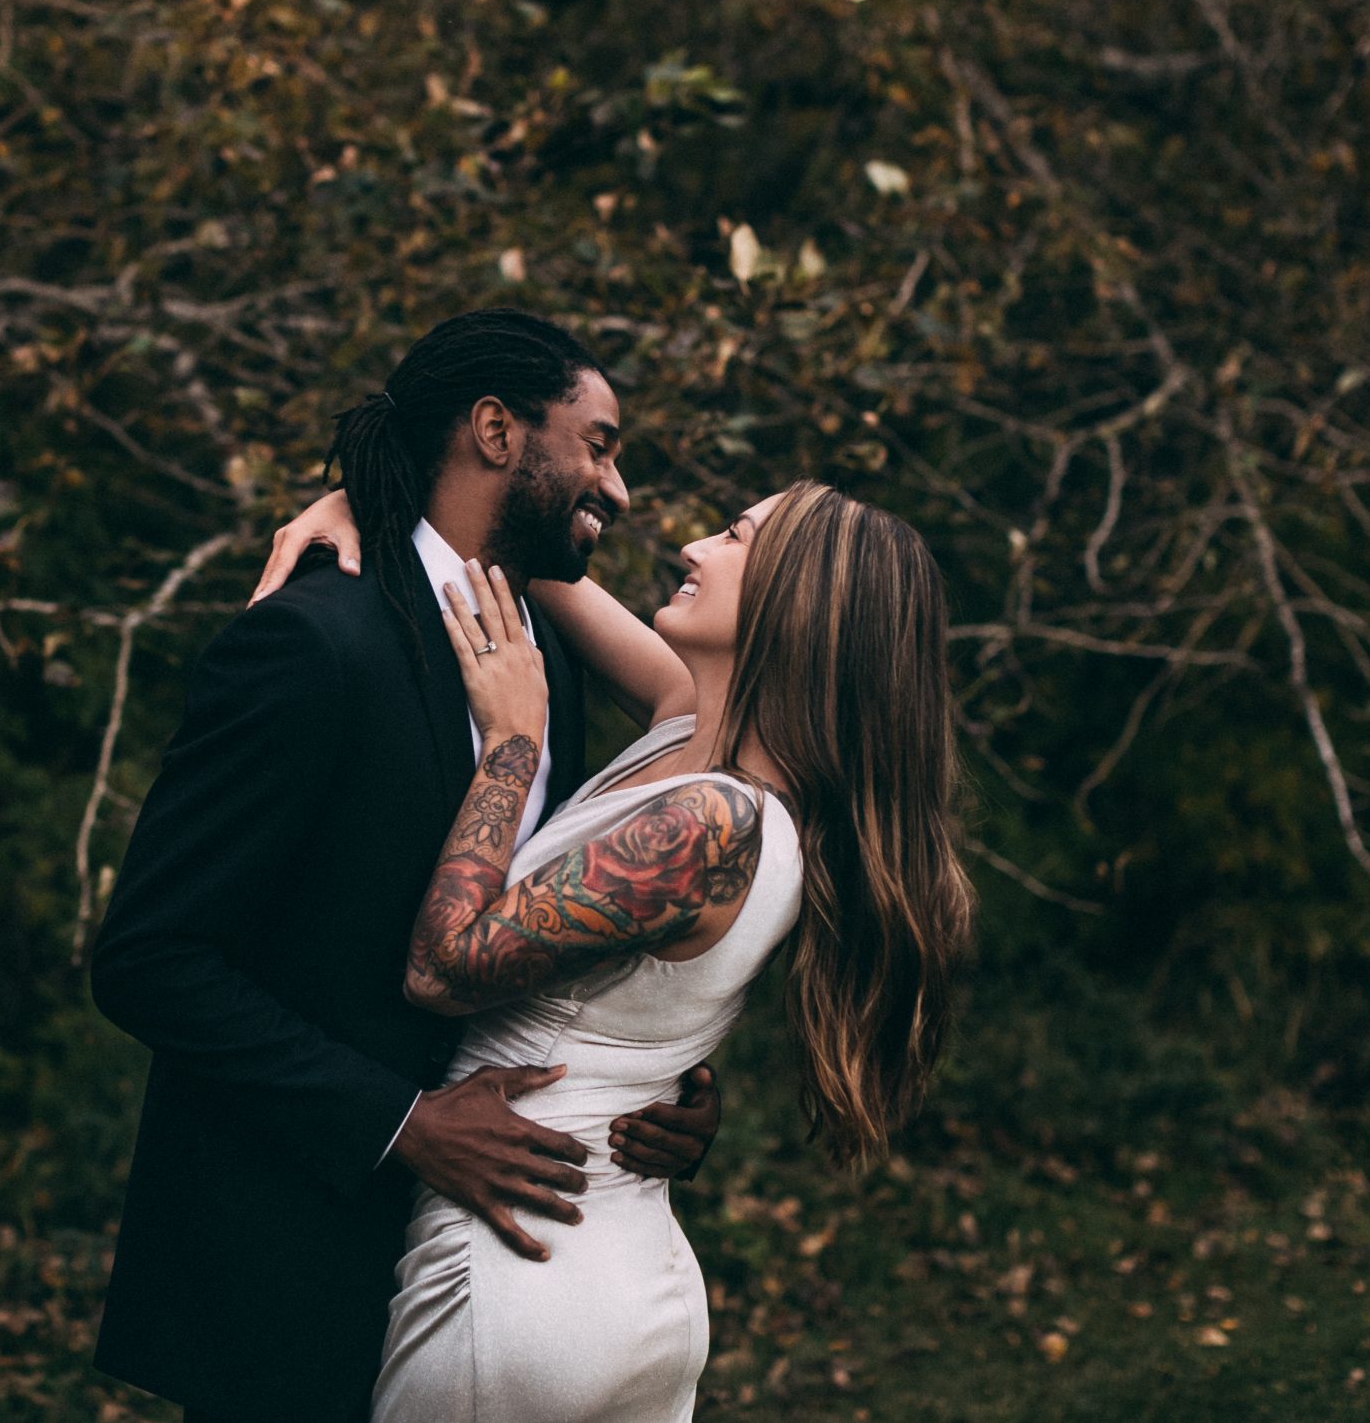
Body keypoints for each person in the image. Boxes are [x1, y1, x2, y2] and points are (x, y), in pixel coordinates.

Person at [88, 309, 724, 1422]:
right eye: (600, 443)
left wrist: (649, 1085)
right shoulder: (313, 642)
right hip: (295, 1268)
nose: (619, 494)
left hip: (493, 1279)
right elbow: (149, 958)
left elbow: (546, 923)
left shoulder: (541, 656)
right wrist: (403, 1123)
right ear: (493, 429)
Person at [248, 474, 979, 1420]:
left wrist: (515, 738)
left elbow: (440, 969)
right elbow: (520, 555)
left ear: (796, 604)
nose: (694, 547)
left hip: (521, 1276)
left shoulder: (711, 819)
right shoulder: (697, 736)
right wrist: (373, 499)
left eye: (734, 537)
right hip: (606, 1258)